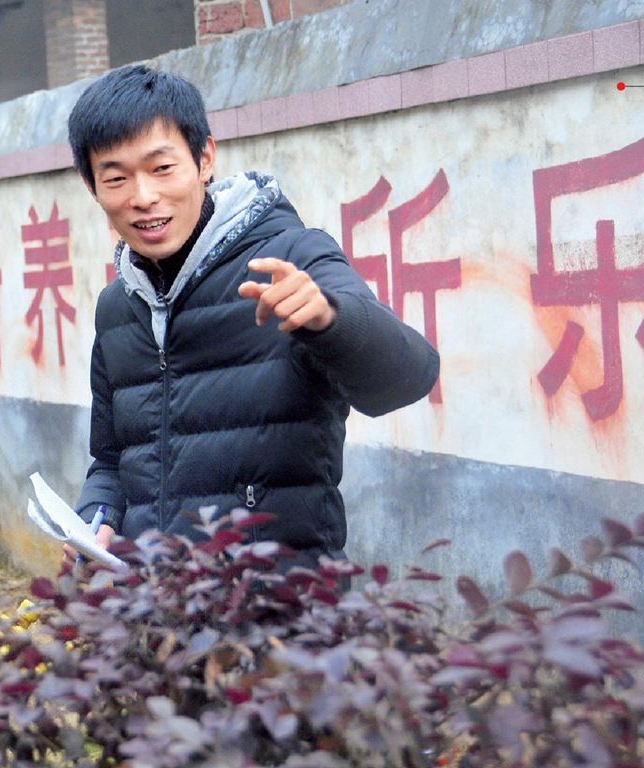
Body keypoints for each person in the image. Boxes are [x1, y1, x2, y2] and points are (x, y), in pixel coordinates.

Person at [65, 65, 439, 570]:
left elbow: (409, 377)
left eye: (161, 168)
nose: (143, 197)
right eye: (115, 178)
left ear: (204, 160)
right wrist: (98, 515)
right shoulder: (117, 306)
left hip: (280, 615)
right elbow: (111, 461)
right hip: (154, 619)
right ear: (94, 188)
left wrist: (330, 319)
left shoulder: (292, 257)